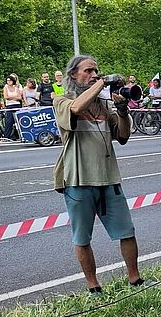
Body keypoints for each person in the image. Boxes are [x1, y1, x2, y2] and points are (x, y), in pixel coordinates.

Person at [53, 55, 142, 293]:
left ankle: (135, 279)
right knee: (82, 237)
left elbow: (122, 137)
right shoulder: (61, 100)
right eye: (88, 71)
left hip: (109, 178)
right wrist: (101, 84)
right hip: (78, 180)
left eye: (97, 71)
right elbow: (75, 108)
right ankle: (93, 287)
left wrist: (122, 111)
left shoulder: (103, 106)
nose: (94, 75)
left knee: (127, 231)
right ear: (73, 75)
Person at [1, 74, 23, 140]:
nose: (9, 82)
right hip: (9, 105)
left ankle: (20, 135)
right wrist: (14, 97)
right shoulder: (6, 87)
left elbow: (19, 97)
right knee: (9, 121)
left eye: (10, 80)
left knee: (18, 121)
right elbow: (6, 97)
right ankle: (6, 136)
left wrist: (12, 97)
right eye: (7, 80)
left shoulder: (16, 88)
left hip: (17, 105)